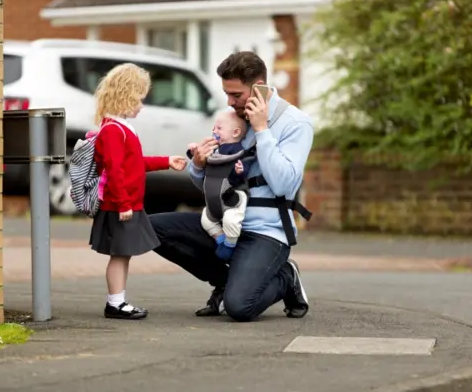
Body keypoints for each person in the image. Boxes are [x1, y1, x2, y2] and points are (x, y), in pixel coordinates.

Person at [149, 51, 314, 322]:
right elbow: (211, 183)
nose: (230, 102)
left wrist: (262, 131)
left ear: (259, 85)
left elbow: (284, 184)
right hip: (221, 221)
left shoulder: (296, 123)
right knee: (152, 229)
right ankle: (227, 282)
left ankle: (286, 277)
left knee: (239, 307)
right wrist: (200, 165)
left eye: (236, 95)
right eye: (227, 94)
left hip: (266, 231)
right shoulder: (232, 120)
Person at [89, 63, 187, 320]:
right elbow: (114, 169)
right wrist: (123, 204)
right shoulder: (112, 130)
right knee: (120, 255)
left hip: (126, 203)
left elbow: (134, 163)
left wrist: (166, 161)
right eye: (139, 100)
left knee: (123, 254)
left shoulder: (120, 127)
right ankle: (115, 303)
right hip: (119, 205)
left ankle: (118, 301)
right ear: (125, 96)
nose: (141, 106)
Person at [187, 110, 252, 261]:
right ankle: (221, 239)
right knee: (206, 220)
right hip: (214, 202)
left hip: (232, 198)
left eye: (219, 128)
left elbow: (243, 170)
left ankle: (230, 245)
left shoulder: (237, 151)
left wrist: (240, 170)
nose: (214, 131)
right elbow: (203, 158)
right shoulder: (215, 148)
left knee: (231, 221)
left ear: (235, 132)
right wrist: (195, 151)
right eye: (214, 128)